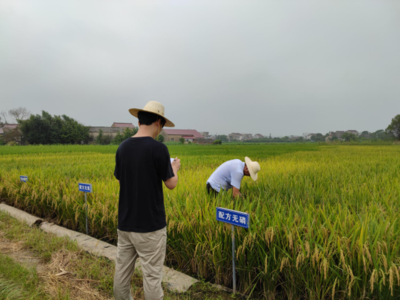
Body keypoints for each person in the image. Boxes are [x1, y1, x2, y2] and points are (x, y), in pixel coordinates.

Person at [113, 101, 181, 300]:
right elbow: (171, 184)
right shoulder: (159, 149)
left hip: (125, 224)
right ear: (158, 122)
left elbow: (120, 177)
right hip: (150, 227)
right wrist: (174, 169)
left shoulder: (122, 147)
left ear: (138, 120)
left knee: (122, 273)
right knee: (152, 277)